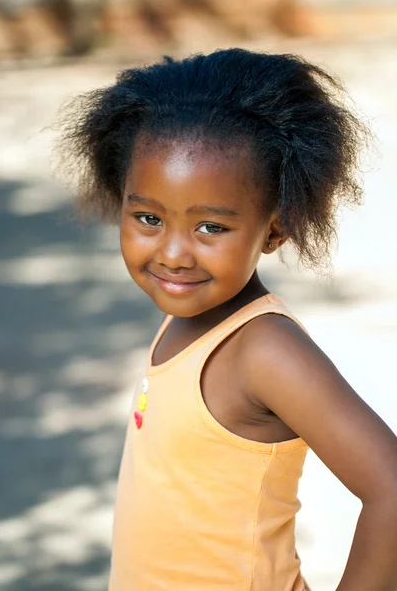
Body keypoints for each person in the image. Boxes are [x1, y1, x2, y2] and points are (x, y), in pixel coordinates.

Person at [57, 48, 397, 590]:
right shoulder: (184, 314)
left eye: (210, 228)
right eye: (148, 218)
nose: (172, 254)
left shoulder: (265, 350)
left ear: (275, 231)